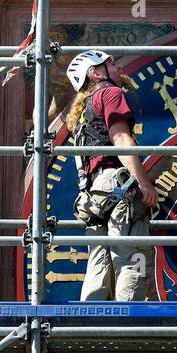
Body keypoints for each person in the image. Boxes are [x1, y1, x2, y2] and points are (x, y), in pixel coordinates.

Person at [65, 50, 158, 302]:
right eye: (110, 64)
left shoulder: (82, 111)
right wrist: (143, 181)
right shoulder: (111, 93)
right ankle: (128, 323)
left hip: (92, 193)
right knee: (132, 255)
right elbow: (120, 139)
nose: (117, 68)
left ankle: (88, 323)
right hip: (117, 184)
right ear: (96, 73)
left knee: (99, 261)